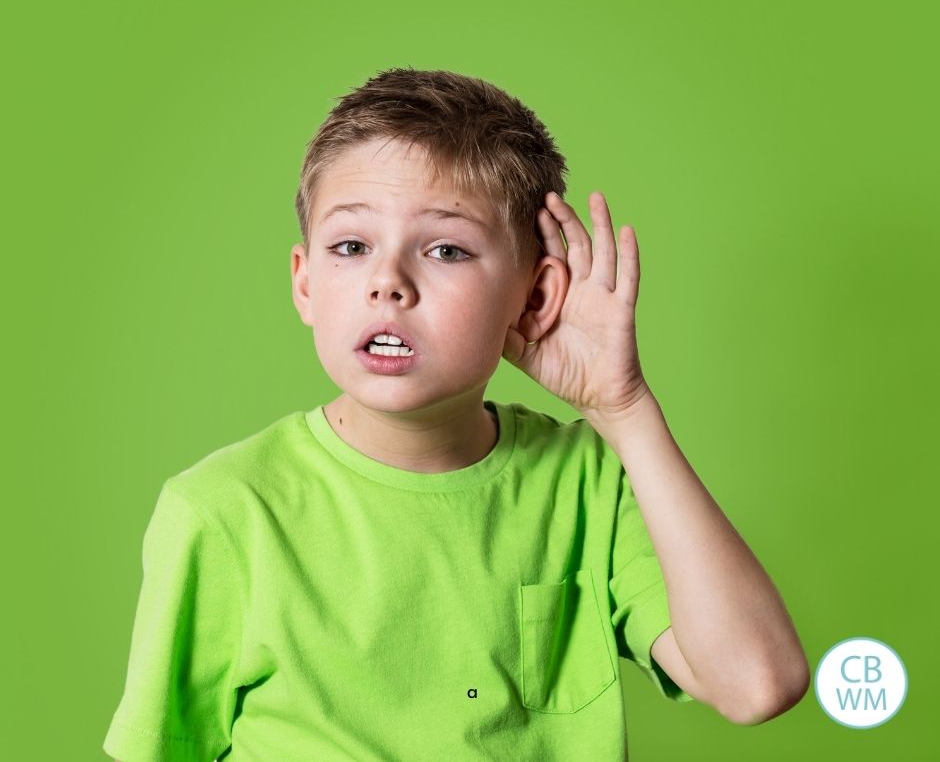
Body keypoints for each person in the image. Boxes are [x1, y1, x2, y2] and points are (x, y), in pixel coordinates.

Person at [103, 67, 809, 761]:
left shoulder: (591, 483)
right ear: (306, 282)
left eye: (445, 249)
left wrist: (623, 409)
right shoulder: (222, 512)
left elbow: (757, 684)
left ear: (534, 299)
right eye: (351, 246)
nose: (388, 283)